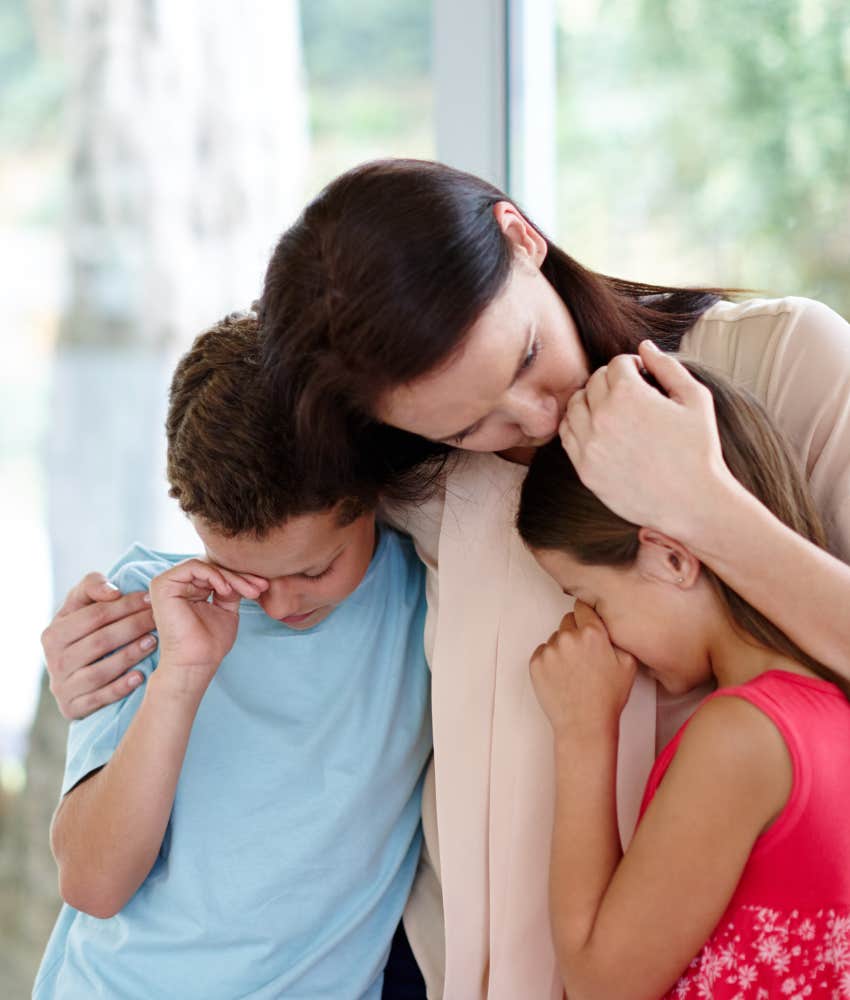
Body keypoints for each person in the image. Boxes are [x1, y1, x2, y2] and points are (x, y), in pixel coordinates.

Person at [41, 159, 850, 999]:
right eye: (472, 423)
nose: (537, 419)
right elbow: (270, 528)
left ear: (521, 235)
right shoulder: (417, 475)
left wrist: (704, 503)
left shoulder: (784, 358)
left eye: (527, 355)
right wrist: (98, 646)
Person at [35, 313, 432, 1000]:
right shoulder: (146, 608)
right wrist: (180, 681)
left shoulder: (418, 594)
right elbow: (93, 886)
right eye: (243, 572)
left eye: (314, 571)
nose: (279, 604)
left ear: (370, 496)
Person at [515, 362, 850, 997]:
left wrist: (582, 732)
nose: (597, 631)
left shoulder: (744, 735)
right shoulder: (831, 711)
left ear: (671, 558)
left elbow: (599, 983)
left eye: (590, 597)